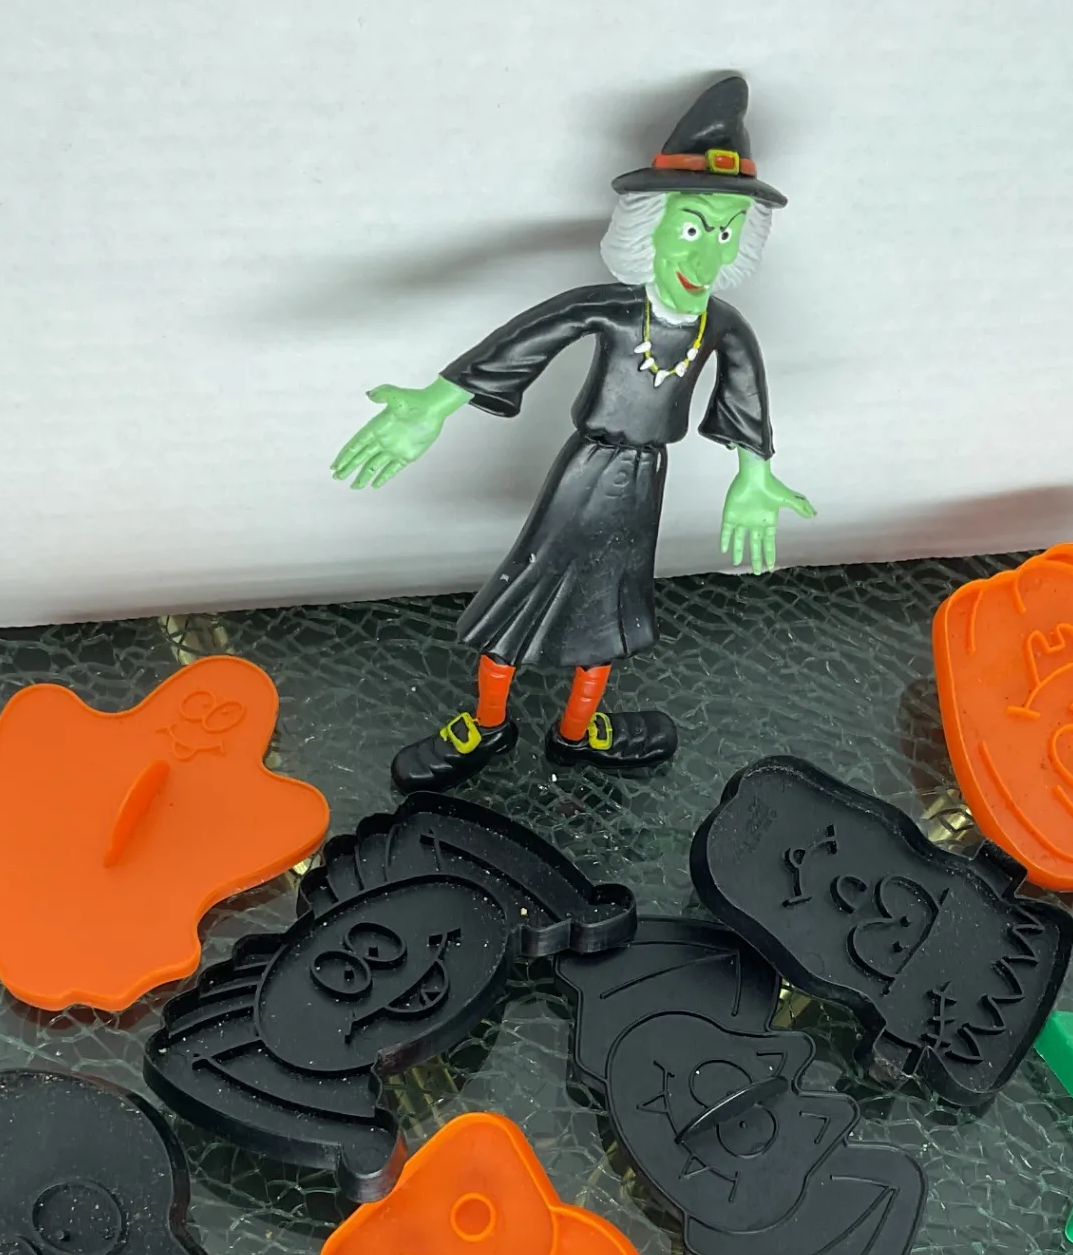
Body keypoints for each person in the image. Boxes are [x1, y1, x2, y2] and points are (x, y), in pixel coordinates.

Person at [332, 75, 813, 793]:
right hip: (584, 476)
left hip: (645, 484)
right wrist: (434, 403)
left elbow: (745, 392)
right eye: (691, 228)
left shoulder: (723, 326)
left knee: (612, 611)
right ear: (648, 227)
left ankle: (578, 731)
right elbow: (528, 337)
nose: (706, 255)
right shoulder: (611, 311)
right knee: (523, 593)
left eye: (724, 232)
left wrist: (754, 473)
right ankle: (487, 725)